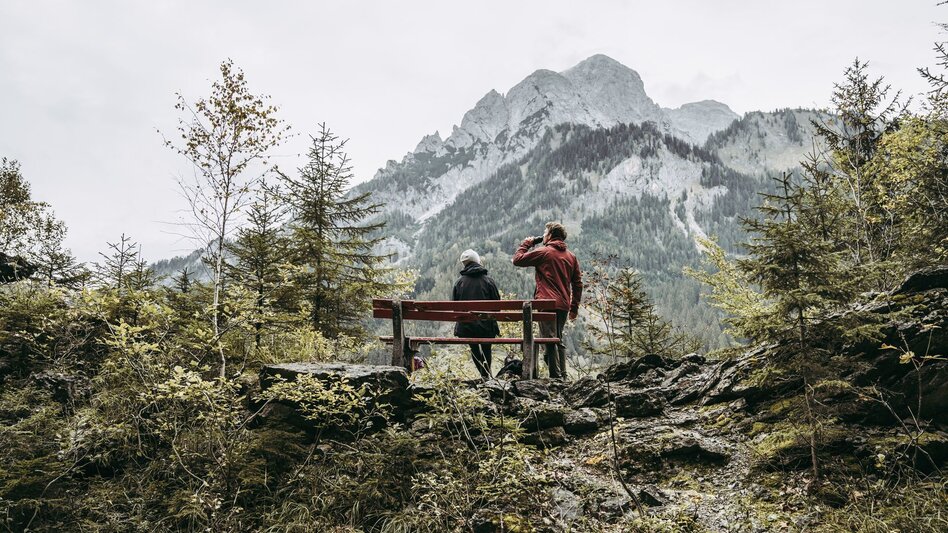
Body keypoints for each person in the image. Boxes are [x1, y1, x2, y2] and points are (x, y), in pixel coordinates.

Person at [512, 222, 582, 379]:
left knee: (549, 339)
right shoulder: (571, 257)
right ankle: (561, 374)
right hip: (563, 305)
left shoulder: (544, 252)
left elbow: (517, 260)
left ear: (550, 235)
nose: (543, 235)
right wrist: (574, 307)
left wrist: (527, 243)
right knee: (556, 337)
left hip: (546, 302)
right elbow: (577, 284)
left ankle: (555, 375)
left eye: (545, 232)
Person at [452, 249, 501, 379]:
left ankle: (484, 376)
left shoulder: (459, 283)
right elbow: (498, 308)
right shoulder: (489, 281)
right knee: (486, 348)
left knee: (474, 349)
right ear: (478, 261)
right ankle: (486, 376)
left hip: (467, 328)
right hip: (486, 328)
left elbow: (455, 310)